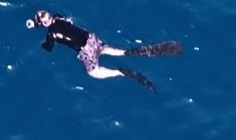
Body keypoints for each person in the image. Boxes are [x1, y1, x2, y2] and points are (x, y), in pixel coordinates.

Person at [27, 10, 182, 92]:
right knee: (105, 49)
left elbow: (49, 48)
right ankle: (125, 53)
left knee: (93, 72)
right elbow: (64, 21)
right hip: (91, 38)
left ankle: (119, 72)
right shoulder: (59, 17)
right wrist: (36, 23)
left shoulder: (50, 34)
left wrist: (42, 42)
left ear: (42, 24)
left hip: (86, 49)